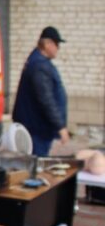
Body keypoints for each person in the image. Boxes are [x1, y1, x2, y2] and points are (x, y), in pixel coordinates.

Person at [13, 26, 69, 156]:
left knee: (32, 162)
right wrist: (60, 127)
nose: (58, 48)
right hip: (37, 130)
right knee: (36, 163)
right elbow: (46, 100)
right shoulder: (40, 66)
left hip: (35, 127)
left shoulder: (37, 61)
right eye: (56, 44)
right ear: (47, 44)